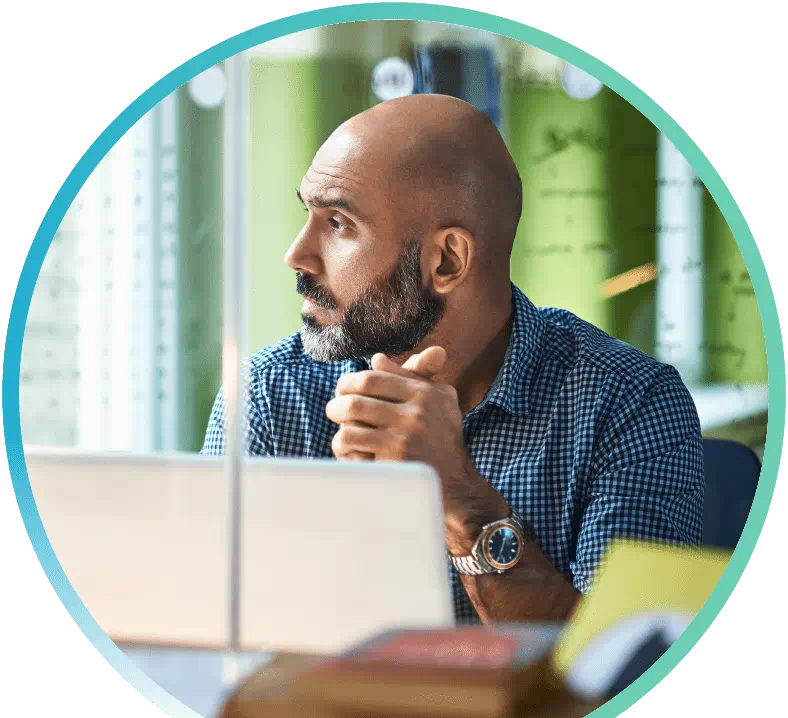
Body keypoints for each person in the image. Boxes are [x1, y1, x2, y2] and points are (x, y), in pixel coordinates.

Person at [202, 94, 704, 624]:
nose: (296, 255)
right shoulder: (268, 394)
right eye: (309, 213)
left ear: (446, 261)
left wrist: (458, 495)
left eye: (339, 224)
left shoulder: (632, 405)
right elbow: (206, 637)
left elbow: (619, 671)